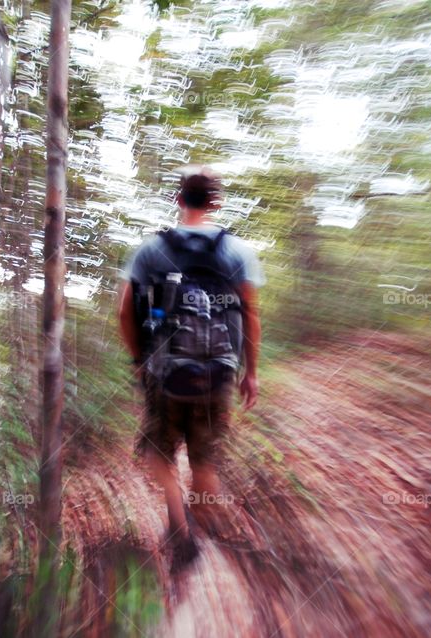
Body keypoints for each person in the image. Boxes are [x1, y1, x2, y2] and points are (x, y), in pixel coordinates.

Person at [118, 165, 264, 570]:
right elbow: (250, 315)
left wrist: (140, 360)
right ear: (215, 203)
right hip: (218, 373)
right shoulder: (238, 251)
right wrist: (250, 372)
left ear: (178, 200)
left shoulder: (152, 249)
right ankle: (196, 529)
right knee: (205, 459)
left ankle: (178, 522)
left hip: (166, 373)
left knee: (156, 452)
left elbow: (125, 312)